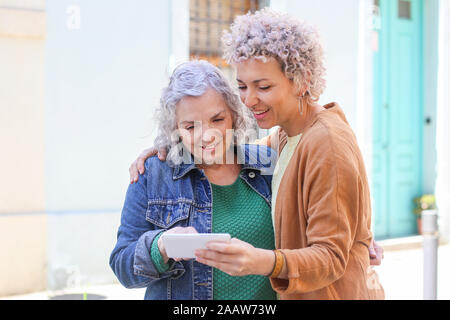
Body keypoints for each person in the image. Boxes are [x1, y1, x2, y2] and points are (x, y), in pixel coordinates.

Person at [129, 8, 385, 299]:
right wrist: (169, 145)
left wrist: (260, 261)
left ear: (301, 80)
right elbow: (233, 150)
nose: (250, 100)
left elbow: (331, 257)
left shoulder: (328, 144)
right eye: (242, 86)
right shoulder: (286, 136)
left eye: (263, 86)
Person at [110, 60, 279, 300]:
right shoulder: (154, 174)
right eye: (190, 127)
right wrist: (161, 246)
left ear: (234, 116)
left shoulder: (268, 164)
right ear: (175, 128)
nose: (206, 136)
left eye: (217, 120)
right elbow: (122, 266)